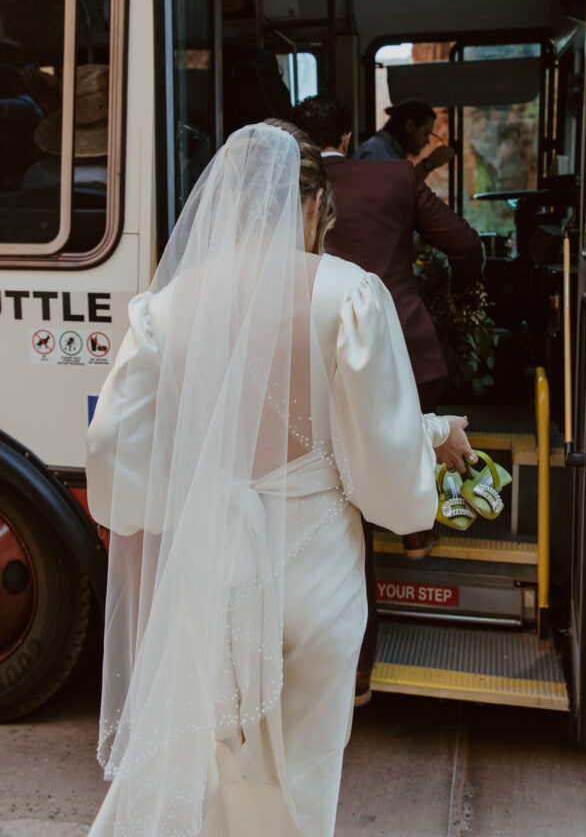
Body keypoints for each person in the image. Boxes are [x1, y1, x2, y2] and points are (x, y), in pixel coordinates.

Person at [85, 121, 473, 837]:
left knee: (213, 764)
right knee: (303, 772)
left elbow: (113, 447)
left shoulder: (165, 309)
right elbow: (379, 461)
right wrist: (436, 433)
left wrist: (165, 498)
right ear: (314, 203)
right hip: (315, 570)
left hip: (210, 563)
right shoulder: (348, 296)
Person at [291, 97, 482, 705]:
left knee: (344, 496)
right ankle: (416, 533)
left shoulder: (286, 189)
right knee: (402, 421)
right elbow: (463, 242)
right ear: (347, 134)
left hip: (314, 360)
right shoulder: (394, 175)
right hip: (406, 344)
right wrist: (466, 291)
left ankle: (356, 677)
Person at [353, 98, 454, 181]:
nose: (427, 141)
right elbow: (392, 195)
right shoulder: (376, 154)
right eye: (425, 133)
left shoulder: (389, 153)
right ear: (410, 126)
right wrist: (429, 163)